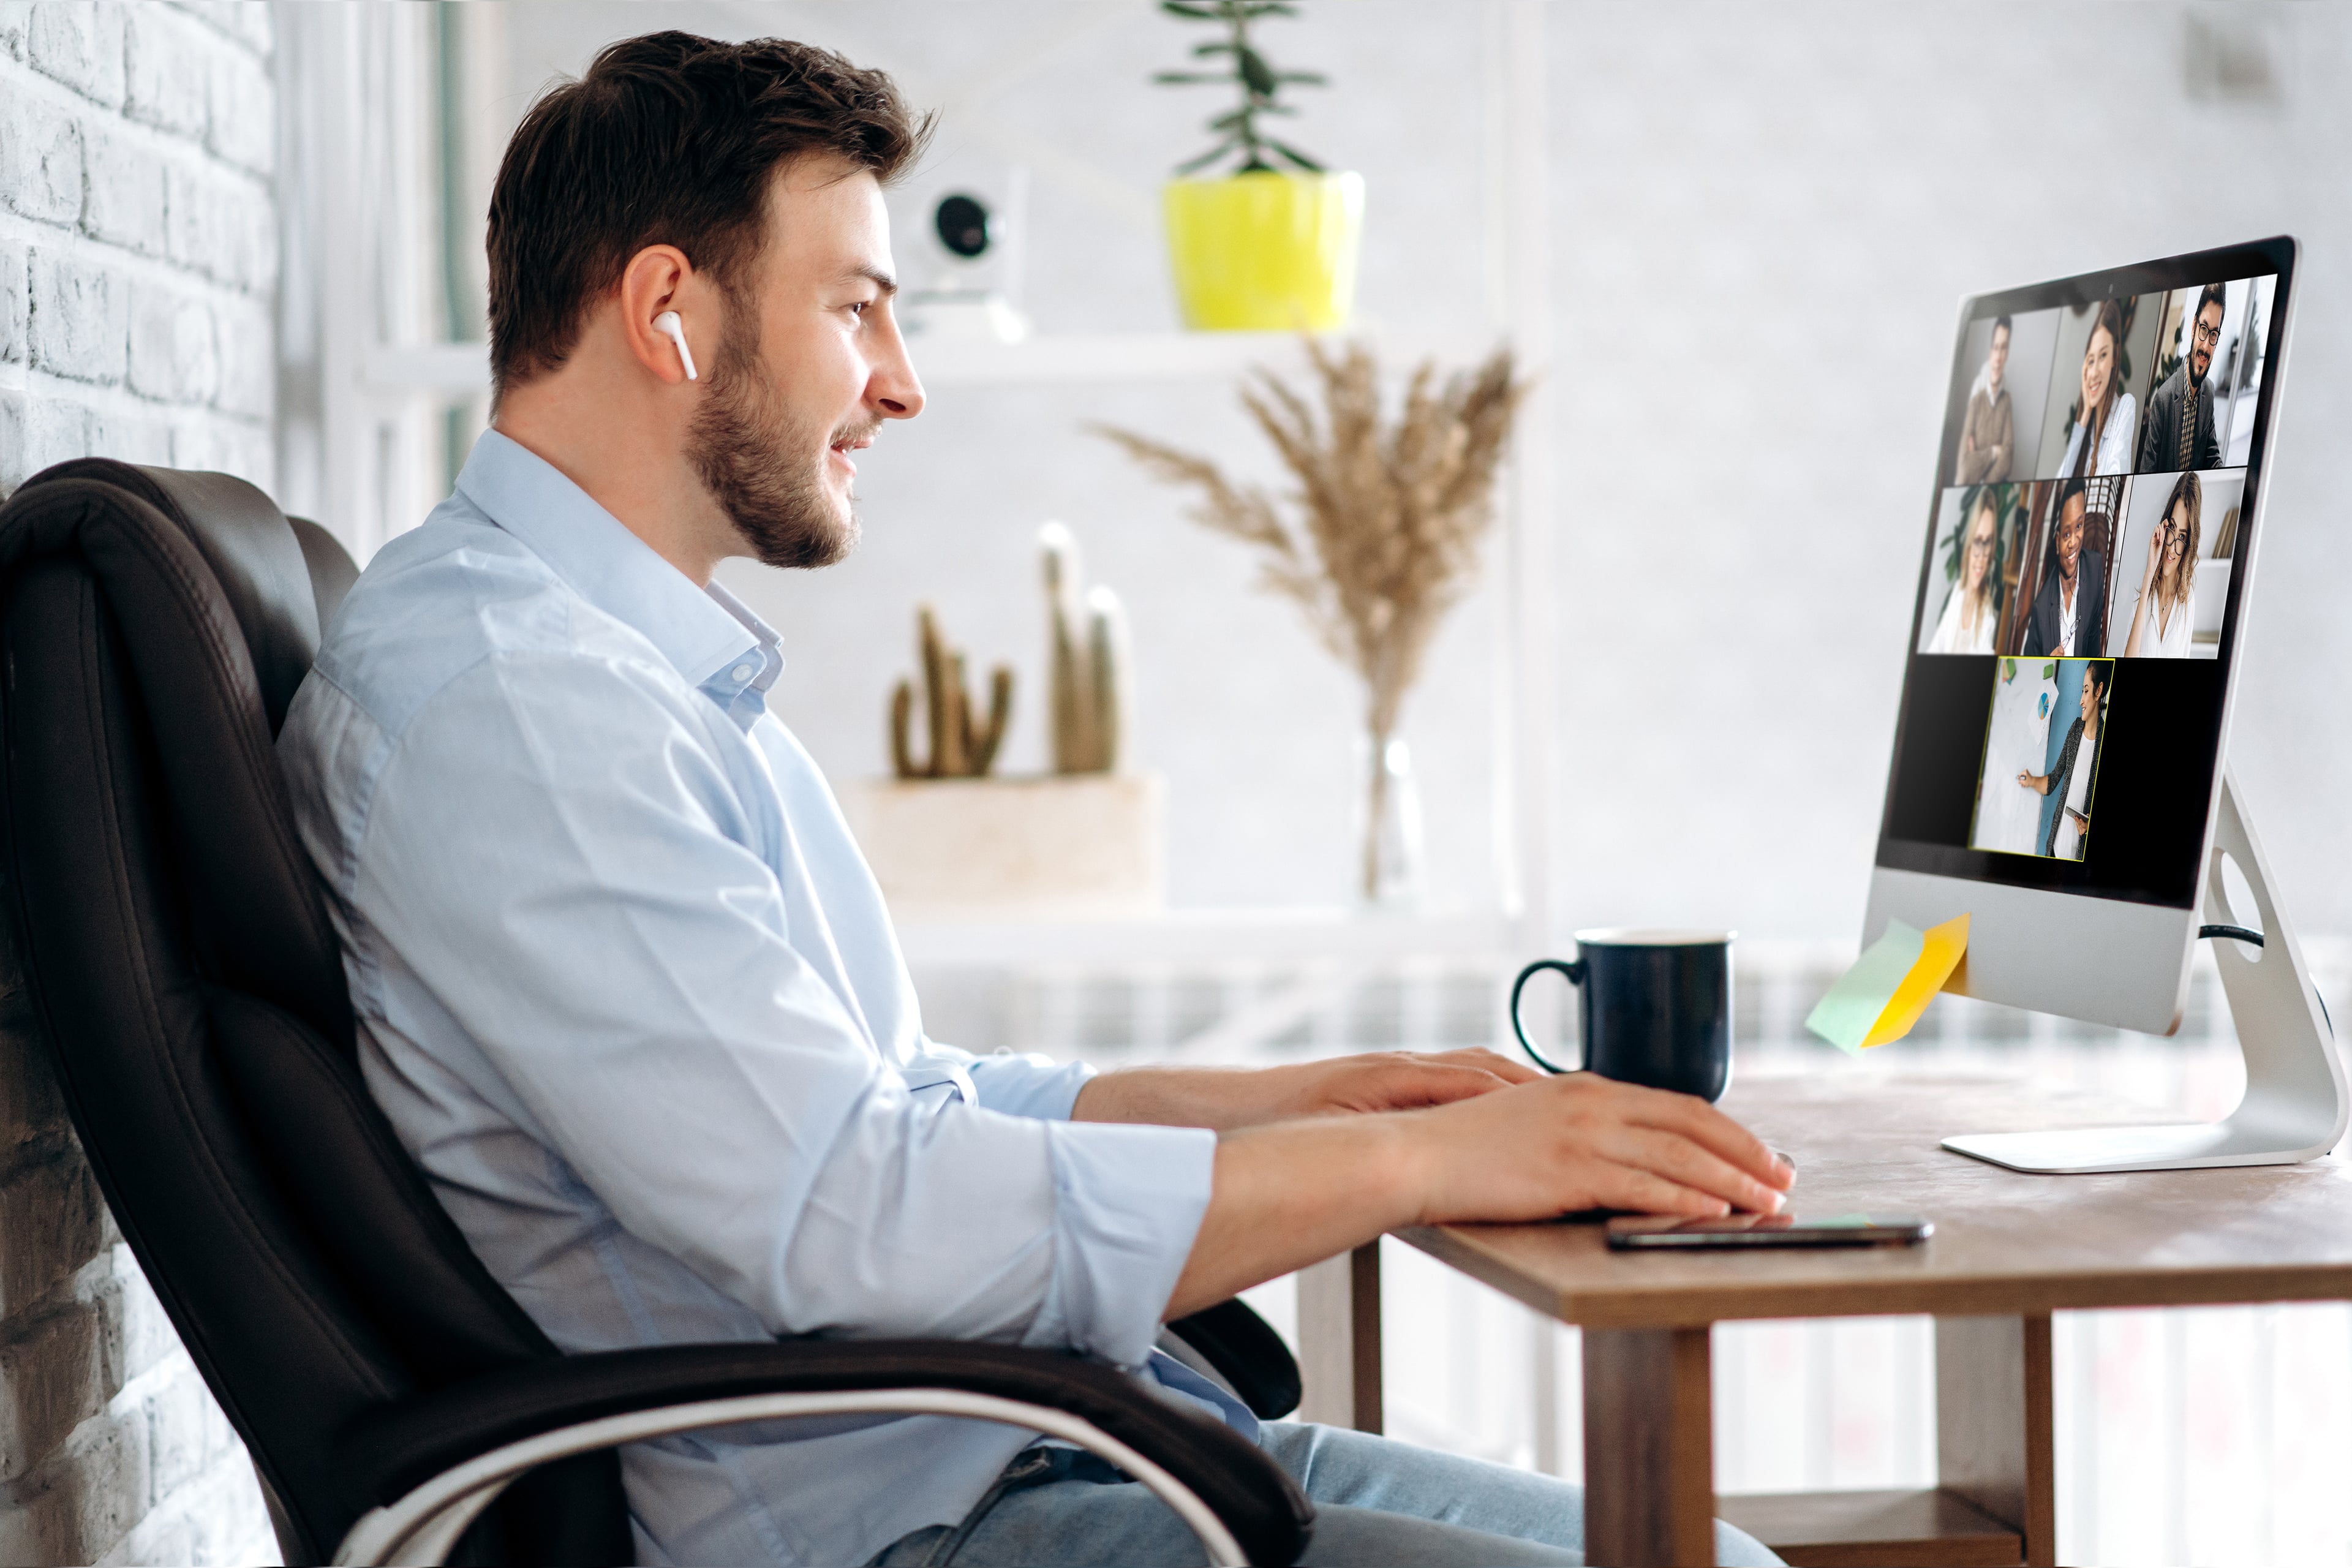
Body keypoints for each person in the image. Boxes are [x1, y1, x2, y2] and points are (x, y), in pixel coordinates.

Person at [273, 33, 1791, 1568]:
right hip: (905, 1520)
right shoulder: (521, 707)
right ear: (667, 311)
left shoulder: (610, 672)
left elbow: (894, 1097)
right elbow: (847, 1211)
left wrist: (1295, 1101)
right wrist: (1421, 1167)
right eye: (856, 305)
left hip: (1029, 1444)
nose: (900, 382)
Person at [2017, 662, 2106, 859]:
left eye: (2086, 691)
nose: (2081, 700)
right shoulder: (2075, 730)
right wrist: (2031, 780)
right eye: (2082, 691)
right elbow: (2054, 780)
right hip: (2055, 850)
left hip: (2079, 858)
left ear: (2098, 691)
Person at [2136, 283, 2226, 473]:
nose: (2206, 346)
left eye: (2214, 335)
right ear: (2193, 328)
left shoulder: (2209, 392)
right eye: (2204, 329)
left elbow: (2212, 456)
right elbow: (2147, 472)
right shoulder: (2163, 399)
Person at [2022, 479, 2106, 657]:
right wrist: (2047, 665)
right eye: (2067, 534)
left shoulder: (2094, 568)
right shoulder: (2041, 610)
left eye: (2079, 526)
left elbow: (2094, 646)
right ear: (2058, 541)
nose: (2074, 541)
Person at [2122, 471, 2201, 657]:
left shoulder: (2187, 601)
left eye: (2182, 536)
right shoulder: (2142, 593)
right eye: (2172, 528)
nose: (2172, 548)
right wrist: (2149, 573)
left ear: (2189, 544)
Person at [2053, 300, 2135, 478]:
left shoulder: (2124, 408)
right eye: (2091, 361)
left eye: (2103, 355)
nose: (2095, 372)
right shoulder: (2087, 431)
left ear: (2115, 356)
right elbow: (2059, 484)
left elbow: (2114, 480)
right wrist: (2085, 414)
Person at [1925, 489, 2000, 653]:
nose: (1981, 557)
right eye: (1978, 541)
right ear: (1968, 547)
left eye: (1988, 542)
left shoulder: (1987, 615)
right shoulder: (1958, 591)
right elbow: (1937, 646)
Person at [1954, 315, 2016, 483]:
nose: (1999, 357)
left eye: (2003, 348)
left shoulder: (2006, 394)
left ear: (2008, 352)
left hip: (1992, 482)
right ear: (1991, 351)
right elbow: (1967, 463)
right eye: (1996, 348)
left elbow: (2008, 455)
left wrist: (1986, 482)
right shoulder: (1977, 392)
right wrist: (1994, 452)